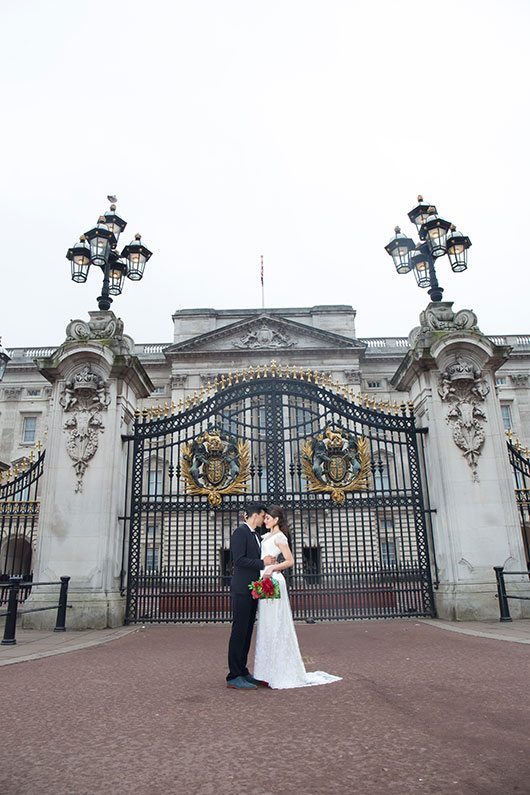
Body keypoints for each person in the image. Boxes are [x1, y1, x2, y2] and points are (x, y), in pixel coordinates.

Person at [253, 505, 342, 689]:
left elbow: (290, 560)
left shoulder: (280, 537)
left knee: (276, 622)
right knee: (266, 623)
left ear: (276, 520)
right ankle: (266, 671)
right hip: (264, 578)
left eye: (268, 518)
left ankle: (279, 671)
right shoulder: (265, 537)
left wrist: (272, 568)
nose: (265, 520)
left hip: (274, 580)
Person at [226, 502, 277, 690]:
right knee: (239, 631)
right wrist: (262, 562)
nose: (264, 520)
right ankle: (233, 675)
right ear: (255, 515)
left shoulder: (255, 535)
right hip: (241, 588)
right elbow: (238, 559)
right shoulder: (241, 532)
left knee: (247, 631)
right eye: (263, 516)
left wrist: (266, 563)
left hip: (251, 588)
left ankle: (242, 671)